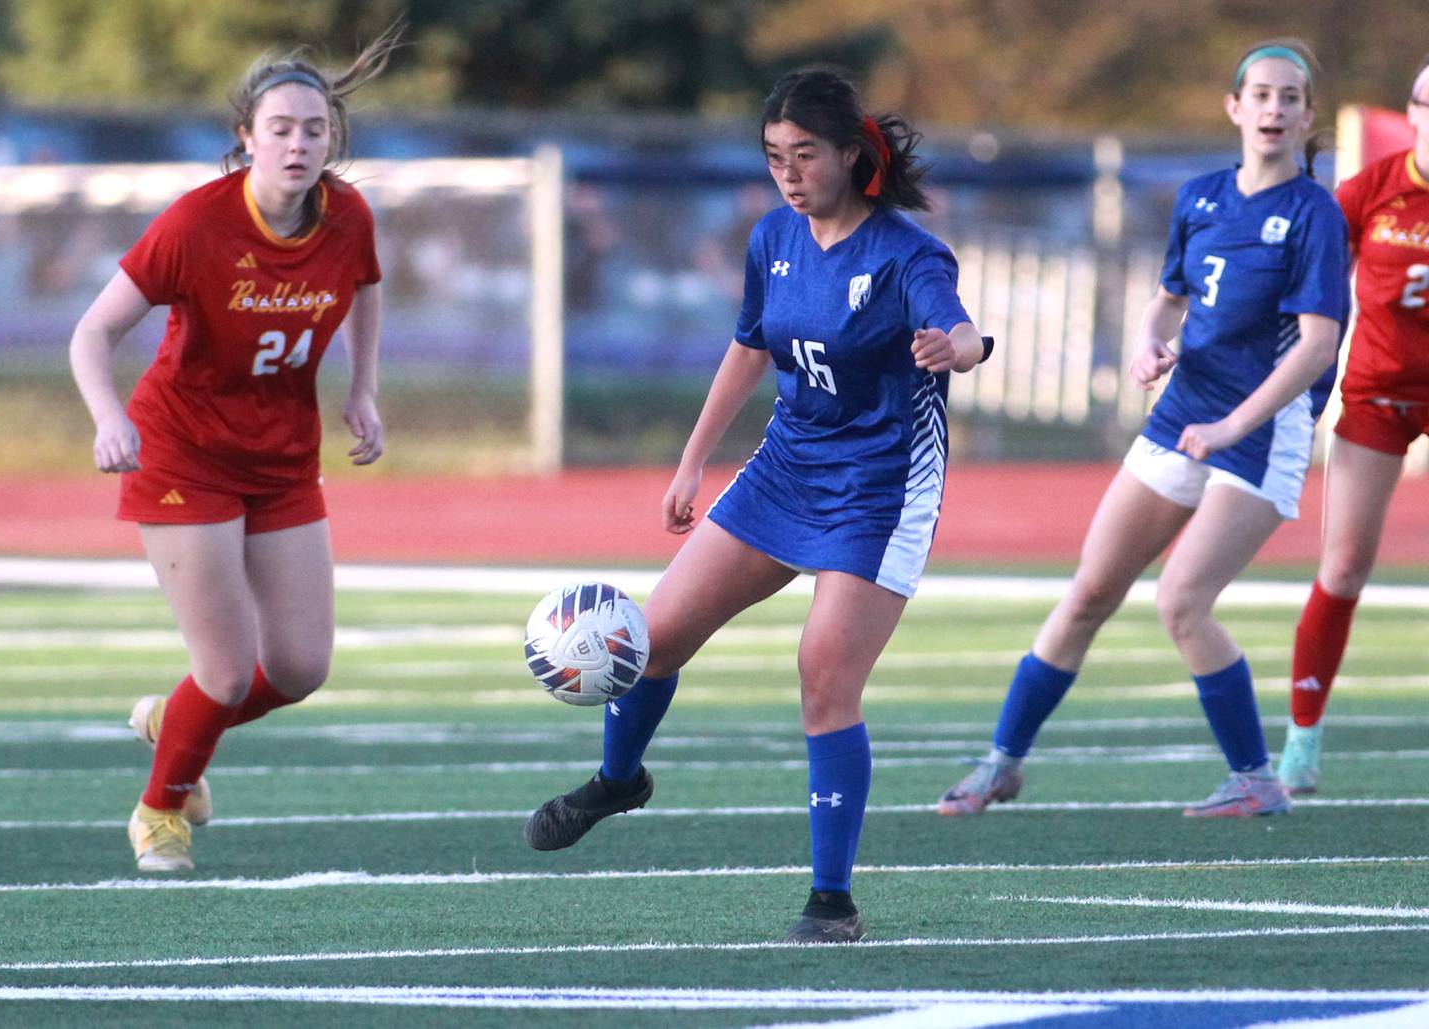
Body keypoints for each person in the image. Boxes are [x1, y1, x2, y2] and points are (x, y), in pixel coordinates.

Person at [523, 67, 989, 943]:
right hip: (785, 469)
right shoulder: (774, 236)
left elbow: (959, 328)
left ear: (852, 154)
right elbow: (748, 349)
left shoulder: (906, 253)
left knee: (824, 678)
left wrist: (960, 346)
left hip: (880, 487)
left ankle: (831, 899)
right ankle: (619, 779)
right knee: (650, 639)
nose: (789, 173)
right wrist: (692, 463)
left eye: (805, 155)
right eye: (775, 156)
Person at [936, 39, 1349, 820]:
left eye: (1289, 97)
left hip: (1262, 427)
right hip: (1184, 412)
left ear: (1307, 116)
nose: (1272, 108)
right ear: (1234, 108)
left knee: (1182, 599)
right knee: (1092, 588)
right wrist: (1146, 343)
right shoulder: (1199, 197)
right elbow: (1168, 298)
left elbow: (1318, 348)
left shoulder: (1313, 214)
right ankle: (1001, 761)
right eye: (1259, 94)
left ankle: (1256, 780)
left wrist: (1232, 424)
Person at [67, 26, 402, 871]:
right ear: (246, 138)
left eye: (314, 129)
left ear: (333, 140)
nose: (298, 143)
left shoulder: (348, 214)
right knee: (221, 672)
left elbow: (365, 286)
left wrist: (361, 388)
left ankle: (172, 722)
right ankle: (158, 811)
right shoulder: (195, 224)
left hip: (283, 456)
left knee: (298, 667)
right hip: (184, 453)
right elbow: (91, 333)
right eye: (281, 127)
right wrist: (109, 417)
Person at [1277, 55, 1429, 794]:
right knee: (1341, 568)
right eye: (1426, 103)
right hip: (1377, 394)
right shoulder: (1376, 187)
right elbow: (1309, 267)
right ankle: (1301, 741)